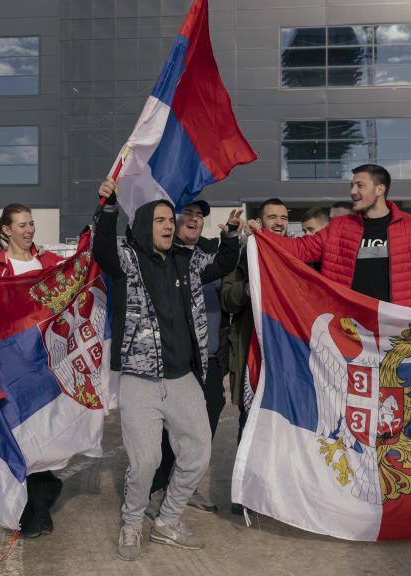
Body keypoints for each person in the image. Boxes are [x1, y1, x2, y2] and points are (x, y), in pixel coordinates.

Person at [93, 179, 241, 561]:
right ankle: (131, 523)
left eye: (168, 221)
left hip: (183, 378)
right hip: (140, 380)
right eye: (159, 220)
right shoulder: (127, 260)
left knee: (197, 455)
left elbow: (224, 263)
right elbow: (102, 250)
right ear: (145, 224)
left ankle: (167, 522)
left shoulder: (187, 261)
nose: (167, 226)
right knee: (145, 463)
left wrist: (231, 235)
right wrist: (108, 206)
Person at [247, 164, 411, 308]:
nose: (352, 191)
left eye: (360, 185)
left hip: (399, 334)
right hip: (349, 331)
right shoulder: (339, 228)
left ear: (380, 189)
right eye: (352, 186)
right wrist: (260, 235)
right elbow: (299, 250)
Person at [0, 203, 65, 538]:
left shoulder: (49, 263)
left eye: (32, 224)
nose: (29, 230)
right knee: (20, 436)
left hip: (46, 365)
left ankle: (39, 503)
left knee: (45, 435)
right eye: (22, 225)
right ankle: (34, 502)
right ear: (7, 230)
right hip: (11, 368)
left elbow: (73, 284)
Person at [145, 200, 222, 520]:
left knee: (204, 428)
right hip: (177, 363)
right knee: (166, 431)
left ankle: (182, 488)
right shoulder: (163, 257)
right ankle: (155, 490)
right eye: (188, 214)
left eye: (200, 215)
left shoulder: (211, 255)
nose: (195, 219)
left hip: (213, 359)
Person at [221, 198, 291, 515]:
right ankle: (246, 496)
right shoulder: (243, 256)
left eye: (284, 217)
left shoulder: (298, 255)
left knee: (287, 428)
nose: (279, 222)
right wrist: (246, 289)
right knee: (250, 425)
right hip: (253, 356)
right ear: (259, 222)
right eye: (272, 217)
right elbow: (226, 299)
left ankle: (280, 494)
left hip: (288, 360)